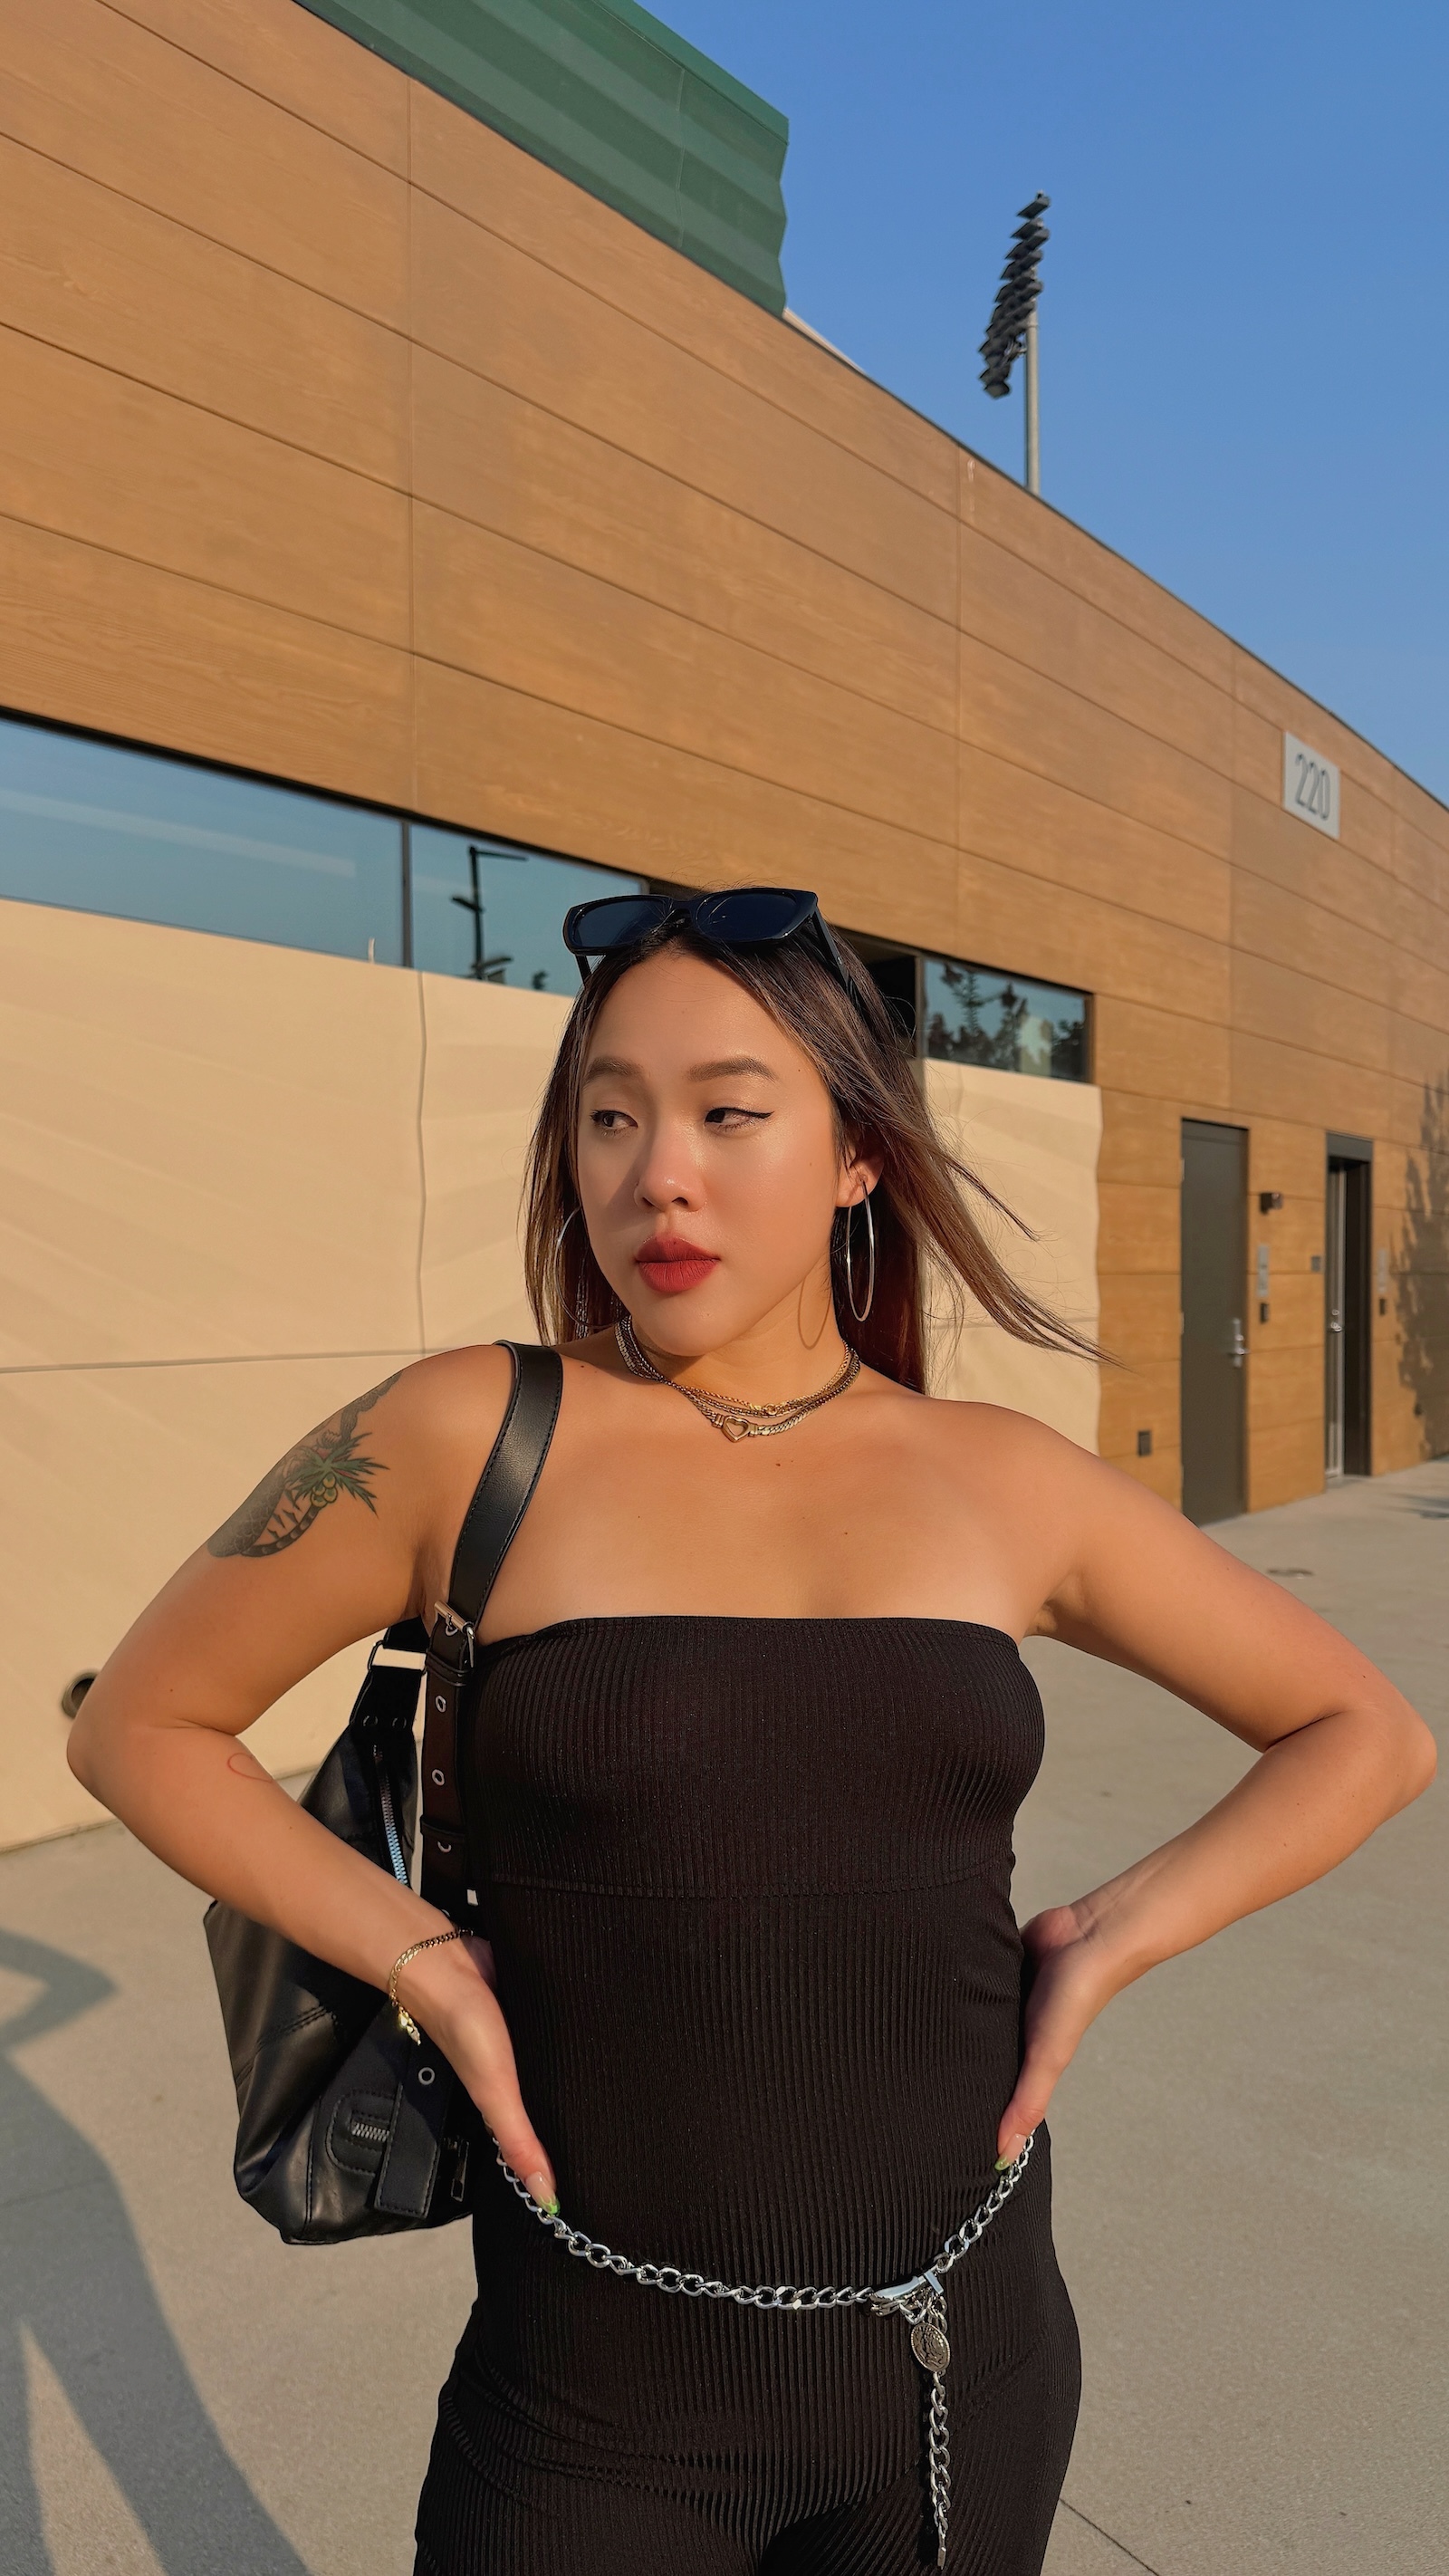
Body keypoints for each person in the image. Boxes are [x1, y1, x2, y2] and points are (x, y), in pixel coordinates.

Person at [69, 889, 1435, 2576]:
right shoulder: (467, 1434)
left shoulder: (1000, 1478)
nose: (659, 1175)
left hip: (961, 2378)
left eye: (728, 1112)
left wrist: (1111, 1935)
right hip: (588, 2412)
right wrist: (414, 1952)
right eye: (611, 1116)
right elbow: (143, 1724)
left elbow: (1359, 1729)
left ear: (859, 1152)